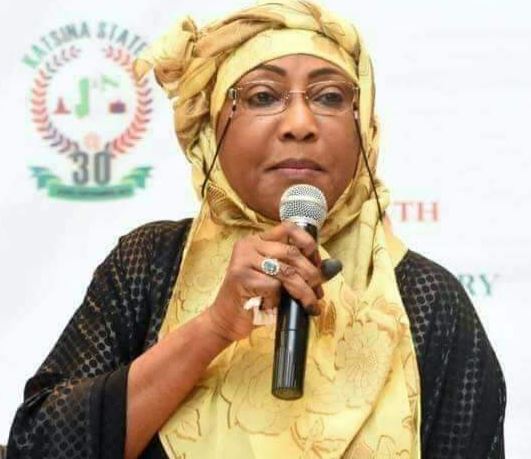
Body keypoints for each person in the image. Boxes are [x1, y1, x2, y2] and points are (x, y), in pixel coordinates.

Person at [7, 1, 506, 458]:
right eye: (263, 96)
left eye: (330, 97)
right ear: (212, 128)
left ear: (364, 129)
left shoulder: (426, 300)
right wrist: (214, 327)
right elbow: (40, 448)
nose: (300, 123)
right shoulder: (150, 265)